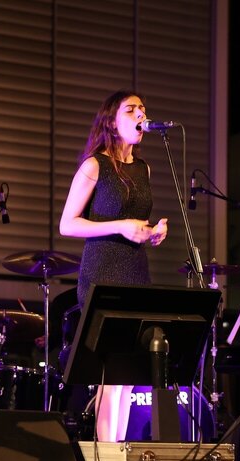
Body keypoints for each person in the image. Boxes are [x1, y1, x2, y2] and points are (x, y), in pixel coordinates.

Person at [58, 90, 168, 442]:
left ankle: (118, 455)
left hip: (136, 272)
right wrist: (120, 226)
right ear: (112, 120)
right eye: (131, 109)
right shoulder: (95, 166)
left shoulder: (143, 168)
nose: (141, 114)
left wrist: (151, 233)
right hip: (103, 272)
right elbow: (68, 224)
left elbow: (133, 224)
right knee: (109, 373)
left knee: (128, 375)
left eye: (143, 109)